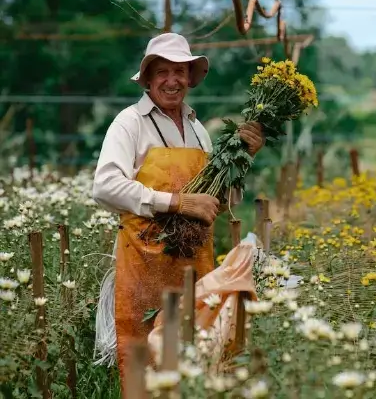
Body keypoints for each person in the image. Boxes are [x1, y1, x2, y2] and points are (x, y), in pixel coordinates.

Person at [91, 32, 265, 386]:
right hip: (143, 264)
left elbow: (218, 202)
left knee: (192, 360)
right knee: (144, 365)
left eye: (180, 72)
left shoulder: (199, 130)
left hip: (193, 266)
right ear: (149, 78)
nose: (172, 81)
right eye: (163, 72)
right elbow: (104, 187)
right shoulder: (130, 123)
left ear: (190, 78)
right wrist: (176, 202)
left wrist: (244, 158)